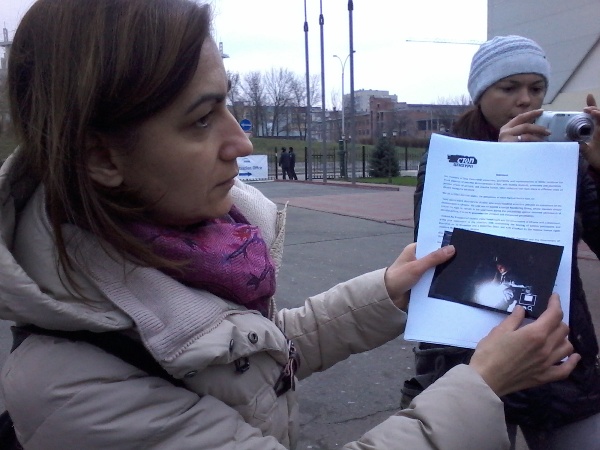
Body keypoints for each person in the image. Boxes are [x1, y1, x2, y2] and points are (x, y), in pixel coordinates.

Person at [0, 6, 578, 448]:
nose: (241, 141)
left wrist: (388, 291)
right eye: (200, 119)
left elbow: (260, 355)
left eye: (226, 105)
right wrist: (480, 387)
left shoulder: (173, 246)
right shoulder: (73, 384)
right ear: (102, 156)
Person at [409, 35, 600, 450]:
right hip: (469, 355)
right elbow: (441, 254)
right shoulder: (450, 156)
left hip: (556, 351)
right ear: (480, 95)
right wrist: (499, 165)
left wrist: (599, 169)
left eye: (536, 87)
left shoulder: (565, 158)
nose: (525, 99)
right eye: (509, 87)